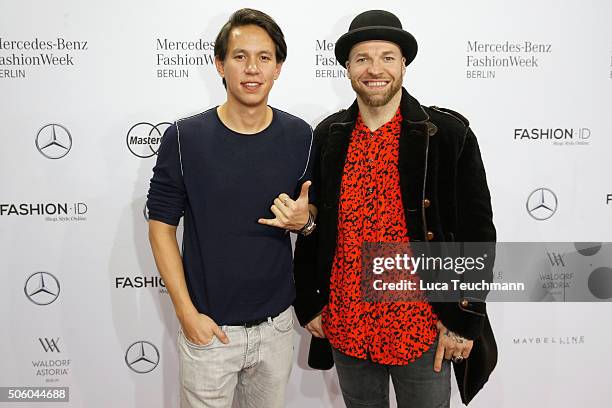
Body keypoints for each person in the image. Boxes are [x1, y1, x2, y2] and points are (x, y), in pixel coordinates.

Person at [293, 9, 497, 408]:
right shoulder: (328, 135)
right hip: (348, 321)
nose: (375, 69)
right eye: (362, 58)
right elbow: (314, 224)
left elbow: (478, 232)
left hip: (423, 327)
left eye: (387, 57)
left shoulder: (448, 135)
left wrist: (463, 320)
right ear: (348, 68)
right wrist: (311, 303)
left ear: (404, 64)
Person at [147, 8, 316, 408]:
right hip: (209, 332)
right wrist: (187, 314)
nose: (252, 68)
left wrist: (304, 220)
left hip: (275, 329)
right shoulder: (185, 138)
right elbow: (160, 228)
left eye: (264, 57)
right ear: (220, 65)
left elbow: (313, 219)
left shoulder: (301, 136)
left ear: (278, 68)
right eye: (240, 56)